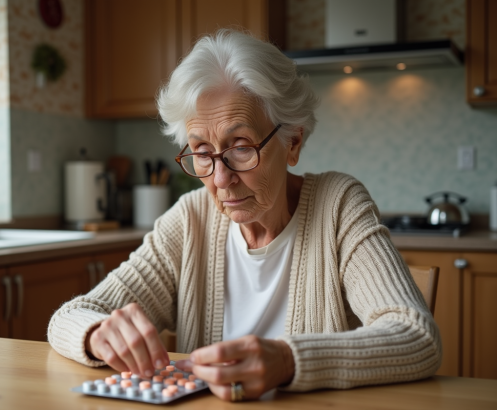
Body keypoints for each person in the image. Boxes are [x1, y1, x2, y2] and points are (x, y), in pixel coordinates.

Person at [48, 30, 441, 401]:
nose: (221, 179)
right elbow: (69, 317)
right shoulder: (190, 220)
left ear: (292, 142)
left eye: (240, 146)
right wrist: (98, 333)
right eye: (202, 152)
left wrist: (287, 360)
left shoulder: (338, 206)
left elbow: (416, 336)